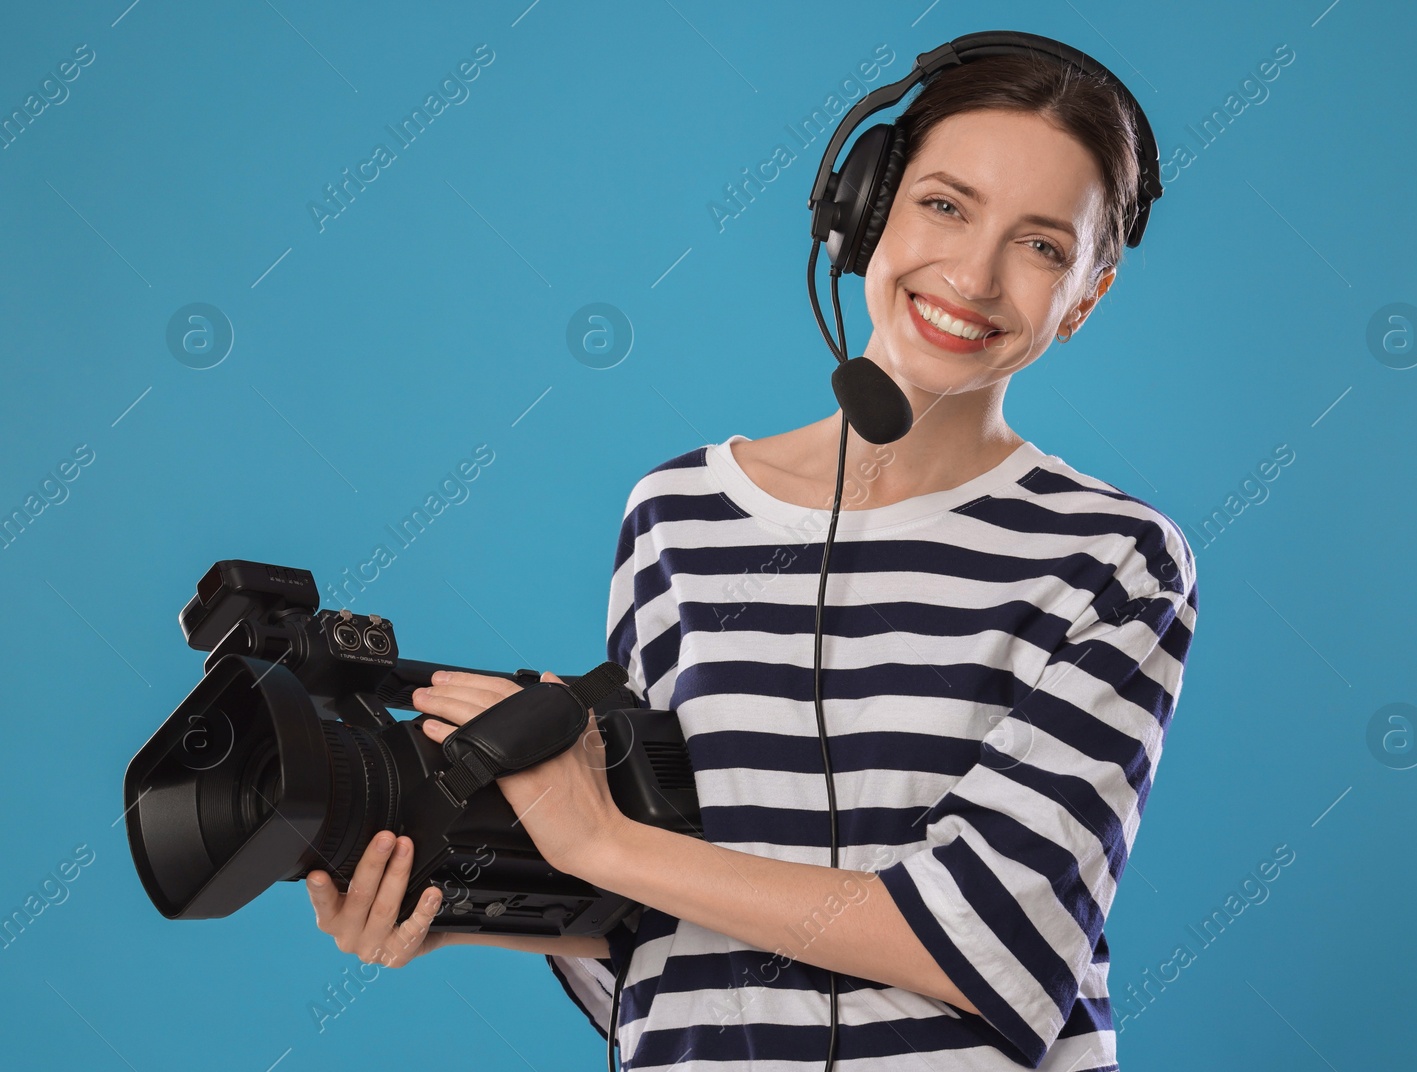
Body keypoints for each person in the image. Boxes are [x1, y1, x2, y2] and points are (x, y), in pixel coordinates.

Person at [306, 49, 1198, 1071]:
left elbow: (991, 939)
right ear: (862, 208)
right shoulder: (676, 517)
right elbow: (665, 897)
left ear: (1084, 295)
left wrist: (597, 840)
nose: (972, 275)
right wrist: (460, 904)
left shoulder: (1115, 558)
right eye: (945, 206)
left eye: (1039, 244)